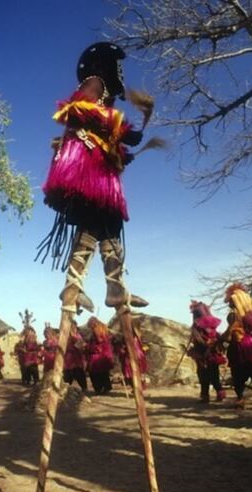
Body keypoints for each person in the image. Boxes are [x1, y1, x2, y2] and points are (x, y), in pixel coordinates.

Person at [37, 41, 148, 314]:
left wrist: (120, 151)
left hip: (101, 170)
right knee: (98, 222)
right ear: (104, 65)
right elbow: (80, 110)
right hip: (88, 169)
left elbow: (103, 129)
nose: (121, 72)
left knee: (105, 225)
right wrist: (121, 128)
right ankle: (86, 287)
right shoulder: (94, 82)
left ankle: (107, 287)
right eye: (118, 66)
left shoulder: (106, 95)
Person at [189, 301, 226, 403]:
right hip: (213, 353)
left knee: (203, 375)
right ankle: (220, 392)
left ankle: (205, 396)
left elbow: (199, 340)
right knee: (214, 374)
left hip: (203, 354)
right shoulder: (212, 324)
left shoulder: (197, 326)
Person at [86, 317, 114, 395]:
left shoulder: (96, 330)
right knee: (104, 372)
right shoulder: (104, 328)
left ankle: (99, 388)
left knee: (94, 372)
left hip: (98, 354)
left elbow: (99, 341)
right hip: (105, 353)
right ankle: (106, 387)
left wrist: (87, 346)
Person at [63, 320, 87, 392]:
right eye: (71, 326)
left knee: (79, 374)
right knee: (68, 375)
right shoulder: (65, 336)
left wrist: (75, 339)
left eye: (73, 326)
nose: (72, 328)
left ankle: (84, 388)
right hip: (68, 359)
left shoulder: (78, 336)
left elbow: (81, 346)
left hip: (77, 358)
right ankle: (66, 389)